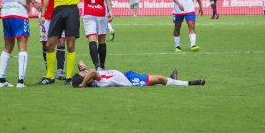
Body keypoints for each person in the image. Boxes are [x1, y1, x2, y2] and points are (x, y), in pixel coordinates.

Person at [38, 0, 109, 85]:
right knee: (49, 44)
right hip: (58, 11)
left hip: (72, 11)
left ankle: (69, 77)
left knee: (70, 45)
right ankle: (49, 76)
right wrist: (43, 13)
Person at [30, 0, 67, 79]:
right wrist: (34, 2)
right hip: (45, 15)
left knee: (61, 41)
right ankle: (49, 71)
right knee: (46, 44)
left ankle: (60, 71)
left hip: (61, 14)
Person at [80, 0, 113, 69]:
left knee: (92, 39)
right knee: (102, 40)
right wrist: (110, 10)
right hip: (101, 12)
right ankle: (103, 66)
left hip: (88, 12)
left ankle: (97, 66)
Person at [72, 61, 205, 87]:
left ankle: (172, 79)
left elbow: (81, 62)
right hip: (130, 81)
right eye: (83, 74)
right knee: (160, 79)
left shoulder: (92, 78)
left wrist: (81, 67)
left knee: (160, 80)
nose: (85, 72)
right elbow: (93, 72)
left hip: (127, 75)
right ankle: (190, 83)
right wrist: (82, 84)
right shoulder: (97, 81)